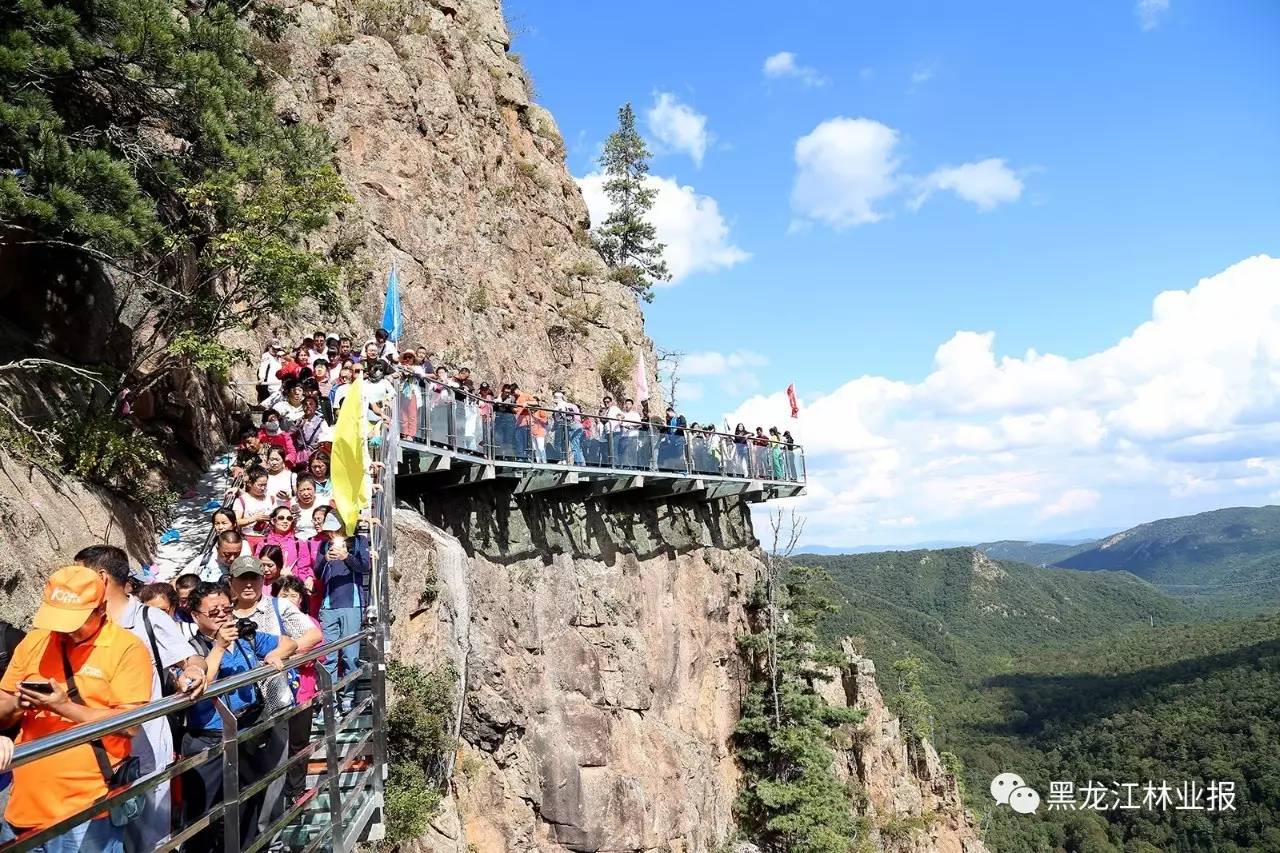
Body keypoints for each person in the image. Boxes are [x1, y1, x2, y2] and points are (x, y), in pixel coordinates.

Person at [0, 566, 152, 852]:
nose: (65, 631)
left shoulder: (127, 649)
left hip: (88, 811)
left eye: (75, 622)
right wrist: (17, 703)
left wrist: (64, 707)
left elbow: (130, 724)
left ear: (101, 608)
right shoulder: (34, 642)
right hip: (24, 805)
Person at [74, 546, 208, 853]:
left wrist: (194, 671)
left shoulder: (149, 617)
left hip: (143, 744)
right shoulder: (83, 622)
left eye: (80, 573)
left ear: (101, 577)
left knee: (148, 835)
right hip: (96, 748)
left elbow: (192, 657)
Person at [182, 580, 295, 853]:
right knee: (204, 815)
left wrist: (273, 656)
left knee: (246, 805)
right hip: (210, 737)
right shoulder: (192, 649)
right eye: (214, 611)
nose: (223, 615)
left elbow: (289, 643)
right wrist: (219, 648)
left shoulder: (246, 637)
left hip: (246, 731)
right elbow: (199, 684)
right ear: (195, 616)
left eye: (226, 608)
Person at [227, 558, 322, 839]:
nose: (248, 584)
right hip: (237, 709)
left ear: (262, 580)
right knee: (242, 778)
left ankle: (268, 835)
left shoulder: (279, 606)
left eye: (254, 578)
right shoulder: (223, 612)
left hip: (275, 700)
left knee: (273, 773)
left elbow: (313, 634)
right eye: (242, 578)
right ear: (231, 581)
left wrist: (281, 654)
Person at [273, 577, 322, 806]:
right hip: (274, 694)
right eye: (284, 594)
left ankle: (295, 790)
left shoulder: (309, 623)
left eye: (294, 595)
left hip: (302, 691)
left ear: (301, 599)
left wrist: (289, 656)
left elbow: (320, 654)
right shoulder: (270, 623)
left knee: (298, 743)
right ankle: (275, 794)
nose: (290, 599)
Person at [315, 533, 368, 713]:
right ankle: (329, 700)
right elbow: (318, 573)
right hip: (329, 606)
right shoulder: (324, 544)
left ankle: (349, 697)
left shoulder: (359, 541)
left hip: (352, 604)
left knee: (350, 655)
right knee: (327, 656)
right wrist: (325, 560)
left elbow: (364, 566)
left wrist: (346, 557)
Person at [257, 507, 316, 593]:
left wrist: (307, 578)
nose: (285, 521)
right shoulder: (263, 543)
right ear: (273, 521)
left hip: (291, 589)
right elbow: (258, 568)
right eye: (281, 518)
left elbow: (304, 568)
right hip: (267, 589)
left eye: (289, 518)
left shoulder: (299, 543)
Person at [183, 508, 247, 580]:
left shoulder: (244, 545)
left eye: (224, 523)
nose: (220, 527)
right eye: (217, 523)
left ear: (234, 524)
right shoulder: (212, 543)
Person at [234, 467, 275, 550]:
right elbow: (236, 521)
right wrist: (254, 519)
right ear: (250, 483)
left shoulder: (270, 498)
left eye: (265, 485)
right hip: (249, 539)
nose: (263, 488)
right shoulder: (242, 500)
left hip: (268, 538)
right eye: (260, 485)